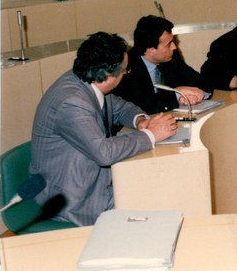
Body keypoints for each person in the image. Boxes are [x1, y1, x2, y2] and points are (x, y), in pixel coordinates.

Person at [29, 32, 177, 226]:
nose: (126, 73)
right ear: (108, 75)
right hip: (71, 199)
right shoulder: (71, 101)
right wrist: (151, 134)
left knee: (158, 191)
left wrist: (140, 120)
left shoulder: (88, 79)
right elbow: (104, 153)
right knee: (155, 203)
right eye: (125, 70)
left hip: (92, 180)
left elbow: (120, 107)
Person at [113, 15, 213, 114]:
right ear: (150, 50)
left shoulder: (171, 57)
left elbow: (201, 81)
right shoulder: (126, 66)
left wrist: (196, 95)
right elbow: (140, 104)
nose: (174, 47)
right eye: (169, 44)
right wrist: (177, 95)